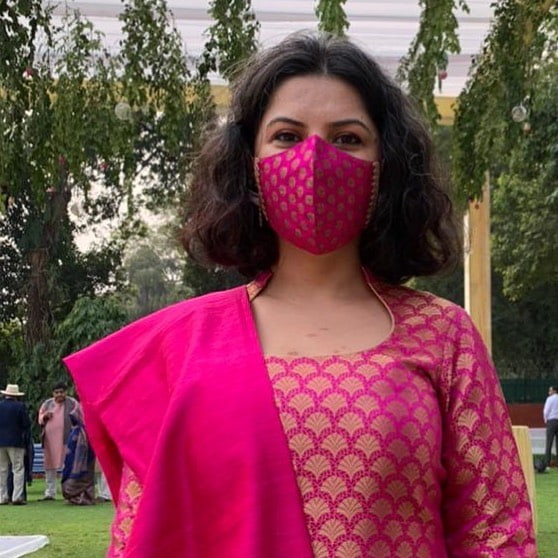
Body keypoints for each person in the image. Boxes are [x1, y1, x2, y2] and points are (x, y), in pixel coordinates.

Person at [63, 33, 536, 558]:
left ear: (386, 164)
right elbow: (144, 537)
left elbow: (497, 535)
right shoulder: (179, 351)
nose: (315, 158)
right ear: (249, 163)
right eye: (287, 136)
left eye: (348, 138)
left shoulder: (443, 336)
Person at [38, 381, 82, 501]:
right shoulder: (47, 403)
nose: (59, 395)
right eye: (56, 392)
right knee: (49, 466)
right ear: (53, 393)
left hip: (67, 440)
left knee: (69, 466)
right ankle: (50, 493)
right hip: (50, 441)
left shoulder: (72, 403)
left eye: (61, 392)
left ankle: (69, 492)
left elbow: (79, 417)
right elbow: (40, 418)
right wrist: (45, 416)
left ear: (65, 392)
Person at [0, 384, 31, 505]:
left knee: (2, 470)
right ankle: (17, 496)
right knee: (17, 469)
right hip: (15, 441)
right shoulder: (20, 406)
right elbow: (26, 424)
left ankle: (2, 497)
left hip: (1, 442)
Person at [61, 414, 96, 505]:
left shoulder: (84, 432)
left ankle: (83, 497)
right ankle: (77, 497)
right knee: (73, 475)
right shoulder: (76, 431)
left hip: (85, 459)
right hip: (74, 460)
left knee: (84, 475)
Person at [543, 385, 558, 467]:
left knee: (549, 442)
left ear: (554, 391)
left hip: (551, 421)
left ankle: (547, 462)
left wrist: (546, 420)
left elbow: (546, 411)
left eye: (550, 390)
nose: (549, 392)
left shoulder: (550, 399)